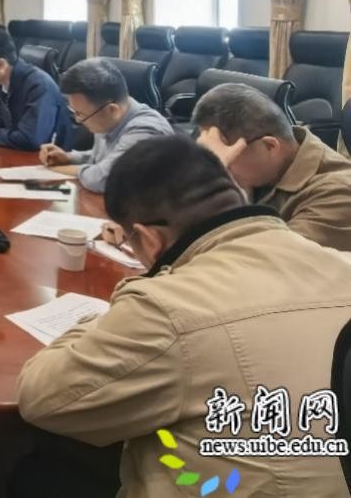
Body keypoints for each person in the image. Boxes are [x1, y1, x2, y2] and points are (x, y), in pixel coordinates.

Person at [17, 135, 351, 497]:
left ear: (148, 239)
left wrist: (131, 296)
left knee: (43, 471)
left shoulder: (167, 307)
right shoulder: (339, 261)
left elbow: (43, 399)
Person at [191, 82, 351, 250]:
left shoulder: (339, 194)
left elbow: (263, 258)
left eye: (225, 154)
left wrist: (216, 186)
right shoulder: (260, 174)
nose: (224, 163)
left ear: (270, 146)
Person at [37, 58, 172, 193]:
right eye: (75, 112)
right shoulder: (108, 115)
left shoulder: (144, 131)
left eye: (81, 114)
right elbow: (102, 157)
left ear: (112, 110)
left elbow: (105, 178)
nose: (78, 120)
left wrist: (56, 169)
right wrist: (69, 158)